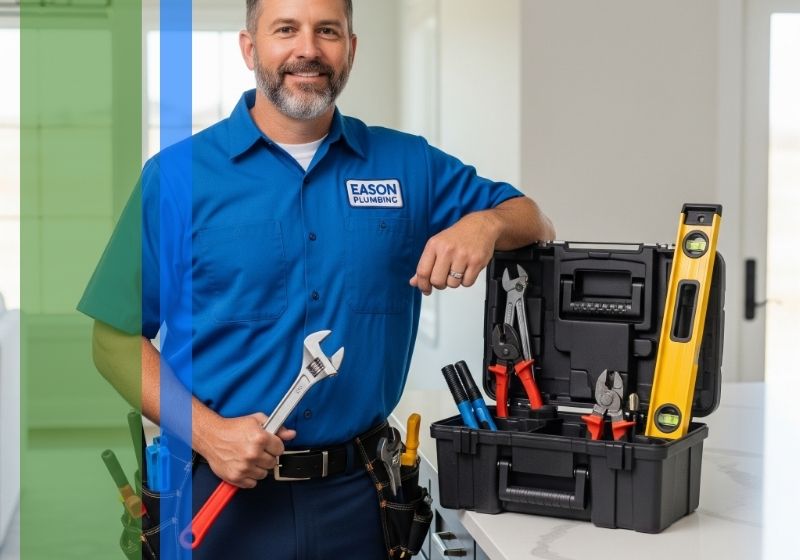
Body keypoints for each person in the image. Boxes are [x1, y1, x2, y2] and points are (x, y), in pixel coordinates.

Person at [79, 0, 555, 557]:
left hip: (362, 501)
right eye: (286, 29)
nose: (308, 49)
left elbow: (533, 220)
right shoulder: (177, 177)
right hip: (216, 493)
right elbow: (112, 339)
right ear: (250, 47)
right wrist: (207, 433)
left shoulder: (408, 165)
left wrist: (486, 223)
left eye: (327, 30)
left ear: (350, 49)